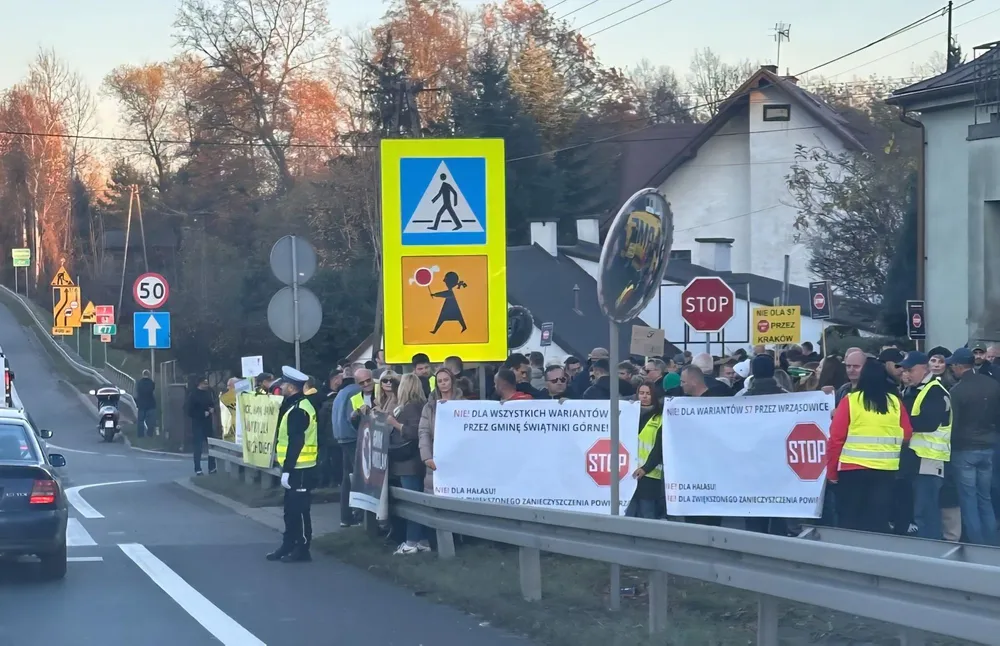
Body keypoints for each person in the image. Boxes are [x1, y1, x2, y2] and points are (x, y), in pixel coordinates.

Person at [826, 359, 912, 533]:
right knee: (877, 521)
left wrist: (832, 472)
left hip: (852, 470)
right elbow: (907, 433)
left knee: (850, 520)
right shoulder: (895, 402)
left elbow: (836, 439)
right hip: (885, 471)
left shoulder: (851, 401)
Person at [947, 347, 1000, 545]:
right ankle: (992, 542)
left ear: (960, 367)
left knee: (968, 499)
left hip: (965, 449)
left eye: (953, 365)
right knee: (984, 497)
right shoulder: (993, 385)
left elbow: (955, 423)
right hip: (988, 446)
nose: (952, 369)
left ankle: (977, 545)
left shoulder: (957, 391)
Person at [266, 367, 318, 563]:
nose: (282, 387)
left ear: (292, 386)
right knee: (290, 509)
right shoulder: (293, 406)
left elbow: (297, 442)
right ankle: (288, 544)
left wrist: (287, 470)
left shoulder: (299, 409)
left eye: (284, 384)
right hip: (295, 467)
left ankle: (302, 548)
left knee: (300, 510)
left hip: (301, 468)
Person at [899, 351, 951, 540]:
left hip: (930, 459)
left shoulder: (934, 390)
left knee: (926, 512)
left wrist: (900, 421)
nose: (906, 374)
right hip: (918, 459)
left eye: (911, 370)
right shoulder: (915, 390)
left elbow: (928, 423)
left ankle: (932, 554)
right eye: (904, 370)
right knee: (921, 511)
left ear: (925, 368)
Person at [387, 374, 430, 554]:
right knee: (417, 503)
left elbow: (413, 432)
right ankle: (422, 540)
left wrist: (395, 424)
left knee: (412, 505)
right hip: (412, 462)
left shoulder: (411, 407)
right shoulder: (419, 405)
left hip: (409, 463)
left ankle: (411, 542)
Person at [419, 368, 463, 493]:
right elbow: (424, 432)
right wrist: (427, 457)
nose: (443, 383)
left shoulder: (464, 404)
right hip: (435, 457)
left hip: (458, 459)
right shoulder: (429, 407)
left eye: (446, 380)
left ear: (452, 381)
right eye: (440, 381)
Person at [628, 381, 666, 519]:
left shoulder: (661, 417)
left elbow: (659, 448)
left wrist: (645, 468)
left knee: (647, 513)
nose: (644, 397)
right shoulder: (628, 414)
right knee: (628, 512)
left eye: (648, 394)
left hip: (650, 475)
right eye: (641, 393)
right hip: (628, 473)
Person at [185, 376, 217, 476]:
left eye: (207, 383)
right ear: (199, 384)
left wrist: (212, 409)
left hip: (208, 423)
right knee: (198, 446)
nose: (206, 385)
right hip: (197, 423)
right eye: (204, 383)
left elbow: (212, 403)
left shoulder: (209, 393)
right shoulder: (193, 395)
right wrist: (202, 414)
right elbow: (189, 410)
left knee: (211, 445)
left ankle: (212, 467)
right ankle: (198, 468)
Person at [134, 369, 156, 438]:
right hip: (150, 404)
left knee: (140, 421)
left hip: (141, 404)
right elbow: (152, 391)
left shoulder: (139, 383)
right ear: (149, 375)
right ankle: (150, 434)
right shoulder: (151, 383)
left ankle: (140, 435)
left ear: (143, 375)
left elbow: (137, 392)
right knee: (150, 421)